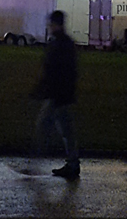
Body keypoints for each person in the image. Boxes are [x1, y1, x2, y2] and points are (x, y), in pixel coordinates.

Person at [34, 10, 80, 179]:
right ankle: (72, 163)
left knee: (48, 126)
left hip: (58, 95)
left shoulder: (60, 44)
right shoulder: (64, 43)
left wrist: (43, 88)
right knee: (65, 129)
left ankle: (36, 160)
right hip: (61, 94)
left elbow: (54, 71)